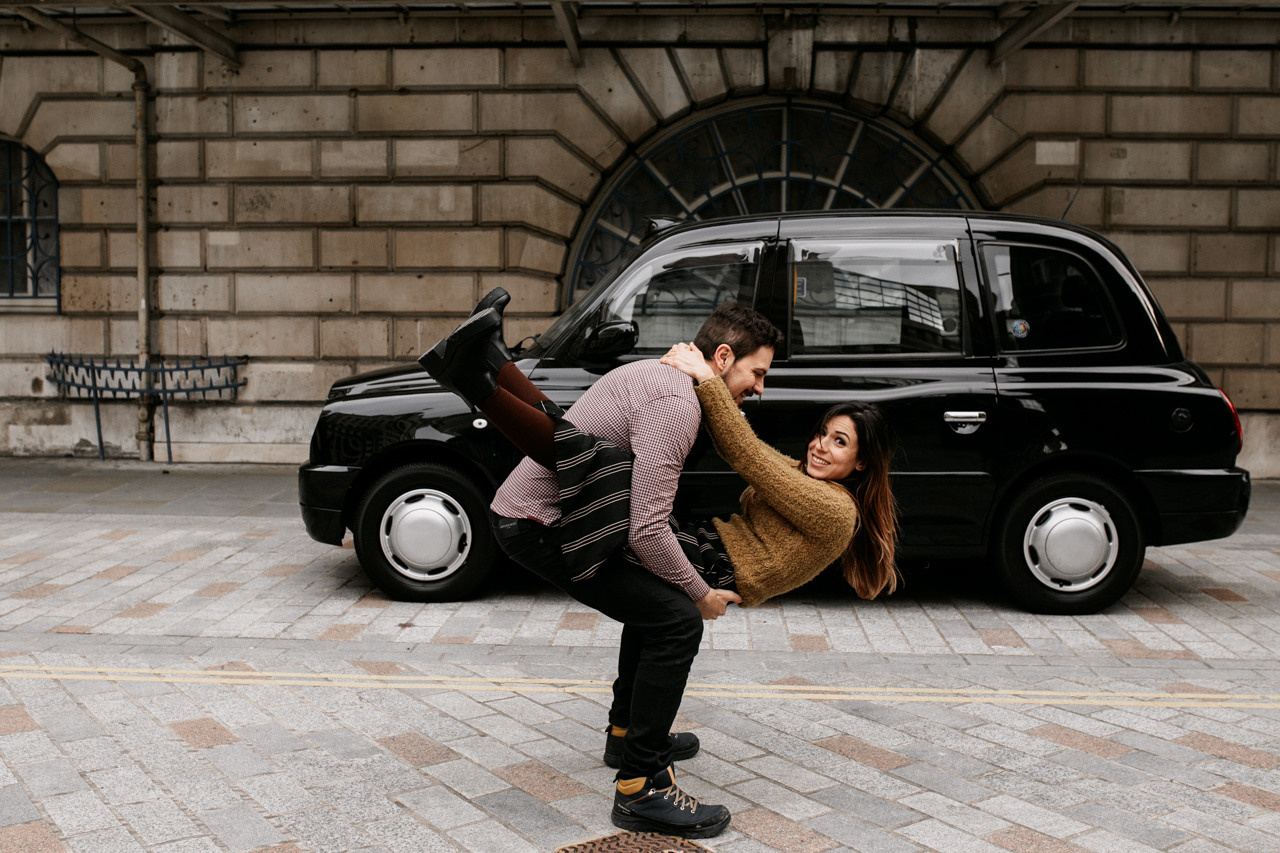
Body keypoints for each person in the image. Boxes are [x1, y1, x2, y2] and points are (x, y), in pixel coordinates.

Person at [420, 290, 784, 840]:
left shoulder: (657, 376)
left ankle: (627, 735)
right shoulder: (678, 403)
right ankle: (642, 788)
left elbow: (575, 445)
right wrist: (699, 591)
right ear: (724, 359)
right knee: (678, 619)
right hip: (541, 526)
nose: (758, 389)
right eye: (756, 374)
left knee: (658, 605)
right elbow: (645, 527)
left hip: (539, 515)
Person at [656, 342, 899, 606]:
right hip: (707, 546)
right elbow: (747, 448)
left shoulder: (836, 509)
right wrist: (707, 378)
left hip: (714, 565)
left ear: (862, 462)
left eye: (839, 442)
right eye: (823, 432)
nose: (820, 445)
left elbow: (746, 454)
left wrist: (706, 376)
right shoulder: (809, 480)